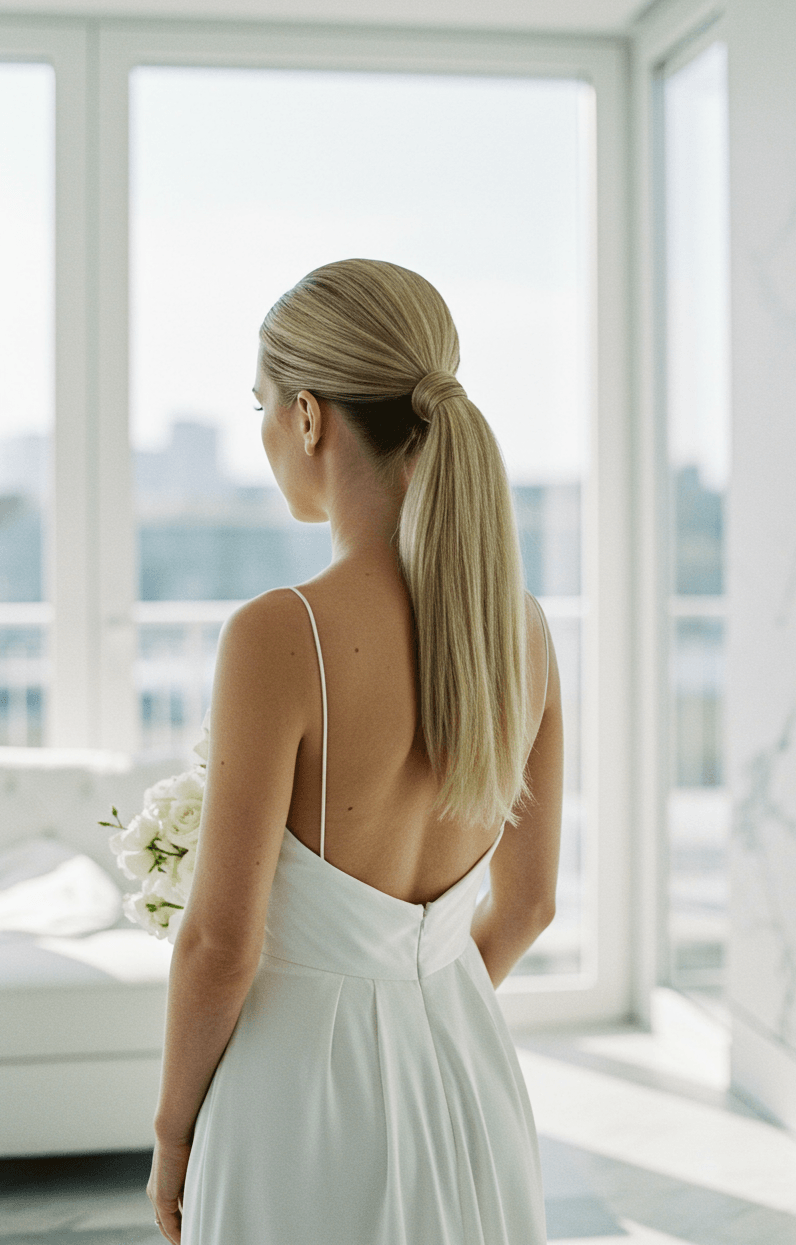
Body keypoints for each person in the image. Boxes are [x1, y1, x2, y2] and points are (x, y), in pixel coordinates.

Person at [146, 258, 564, 1244]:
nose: (260, 434)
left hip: (297, 1100)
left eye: (260, 404)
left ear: (306, 415)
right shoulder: (527, 631)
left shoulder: (278, 634)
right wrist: (414, 1012)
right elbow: (532, 900)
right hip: (466, 1071)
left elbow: (219, 943)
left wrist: (171, 1136)